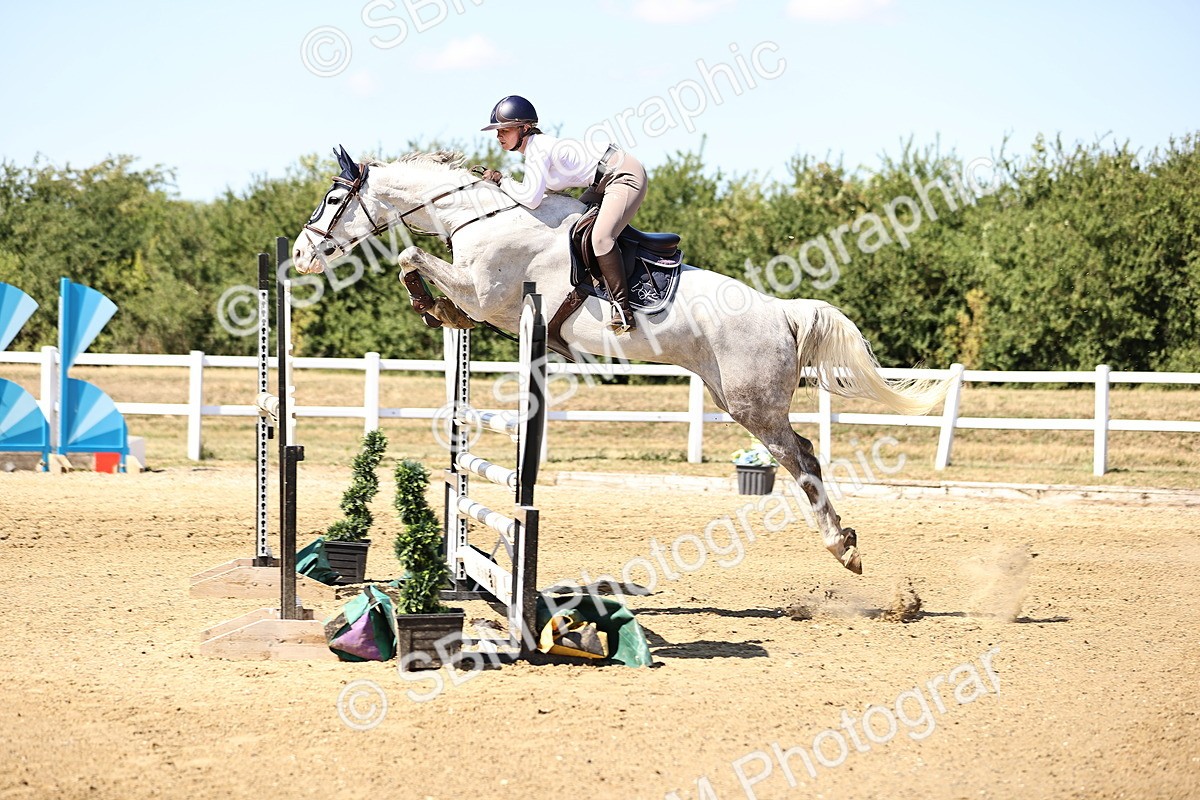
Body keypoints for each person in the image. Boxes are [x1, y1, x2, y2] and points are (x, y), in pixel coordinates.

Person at [479, 95, 645, 333]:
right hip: (601, 182)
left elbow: (531, 199)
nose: (498, 136)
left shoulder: (539, 149)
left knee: (600, 237)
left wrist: (501, 179)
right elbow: (538, 196)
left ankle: (622, 309)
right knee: (574, 227)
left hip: (623, 174)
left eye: (504, 130)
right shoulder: (535, 150)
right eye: (497, 131)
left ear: (525, 128)